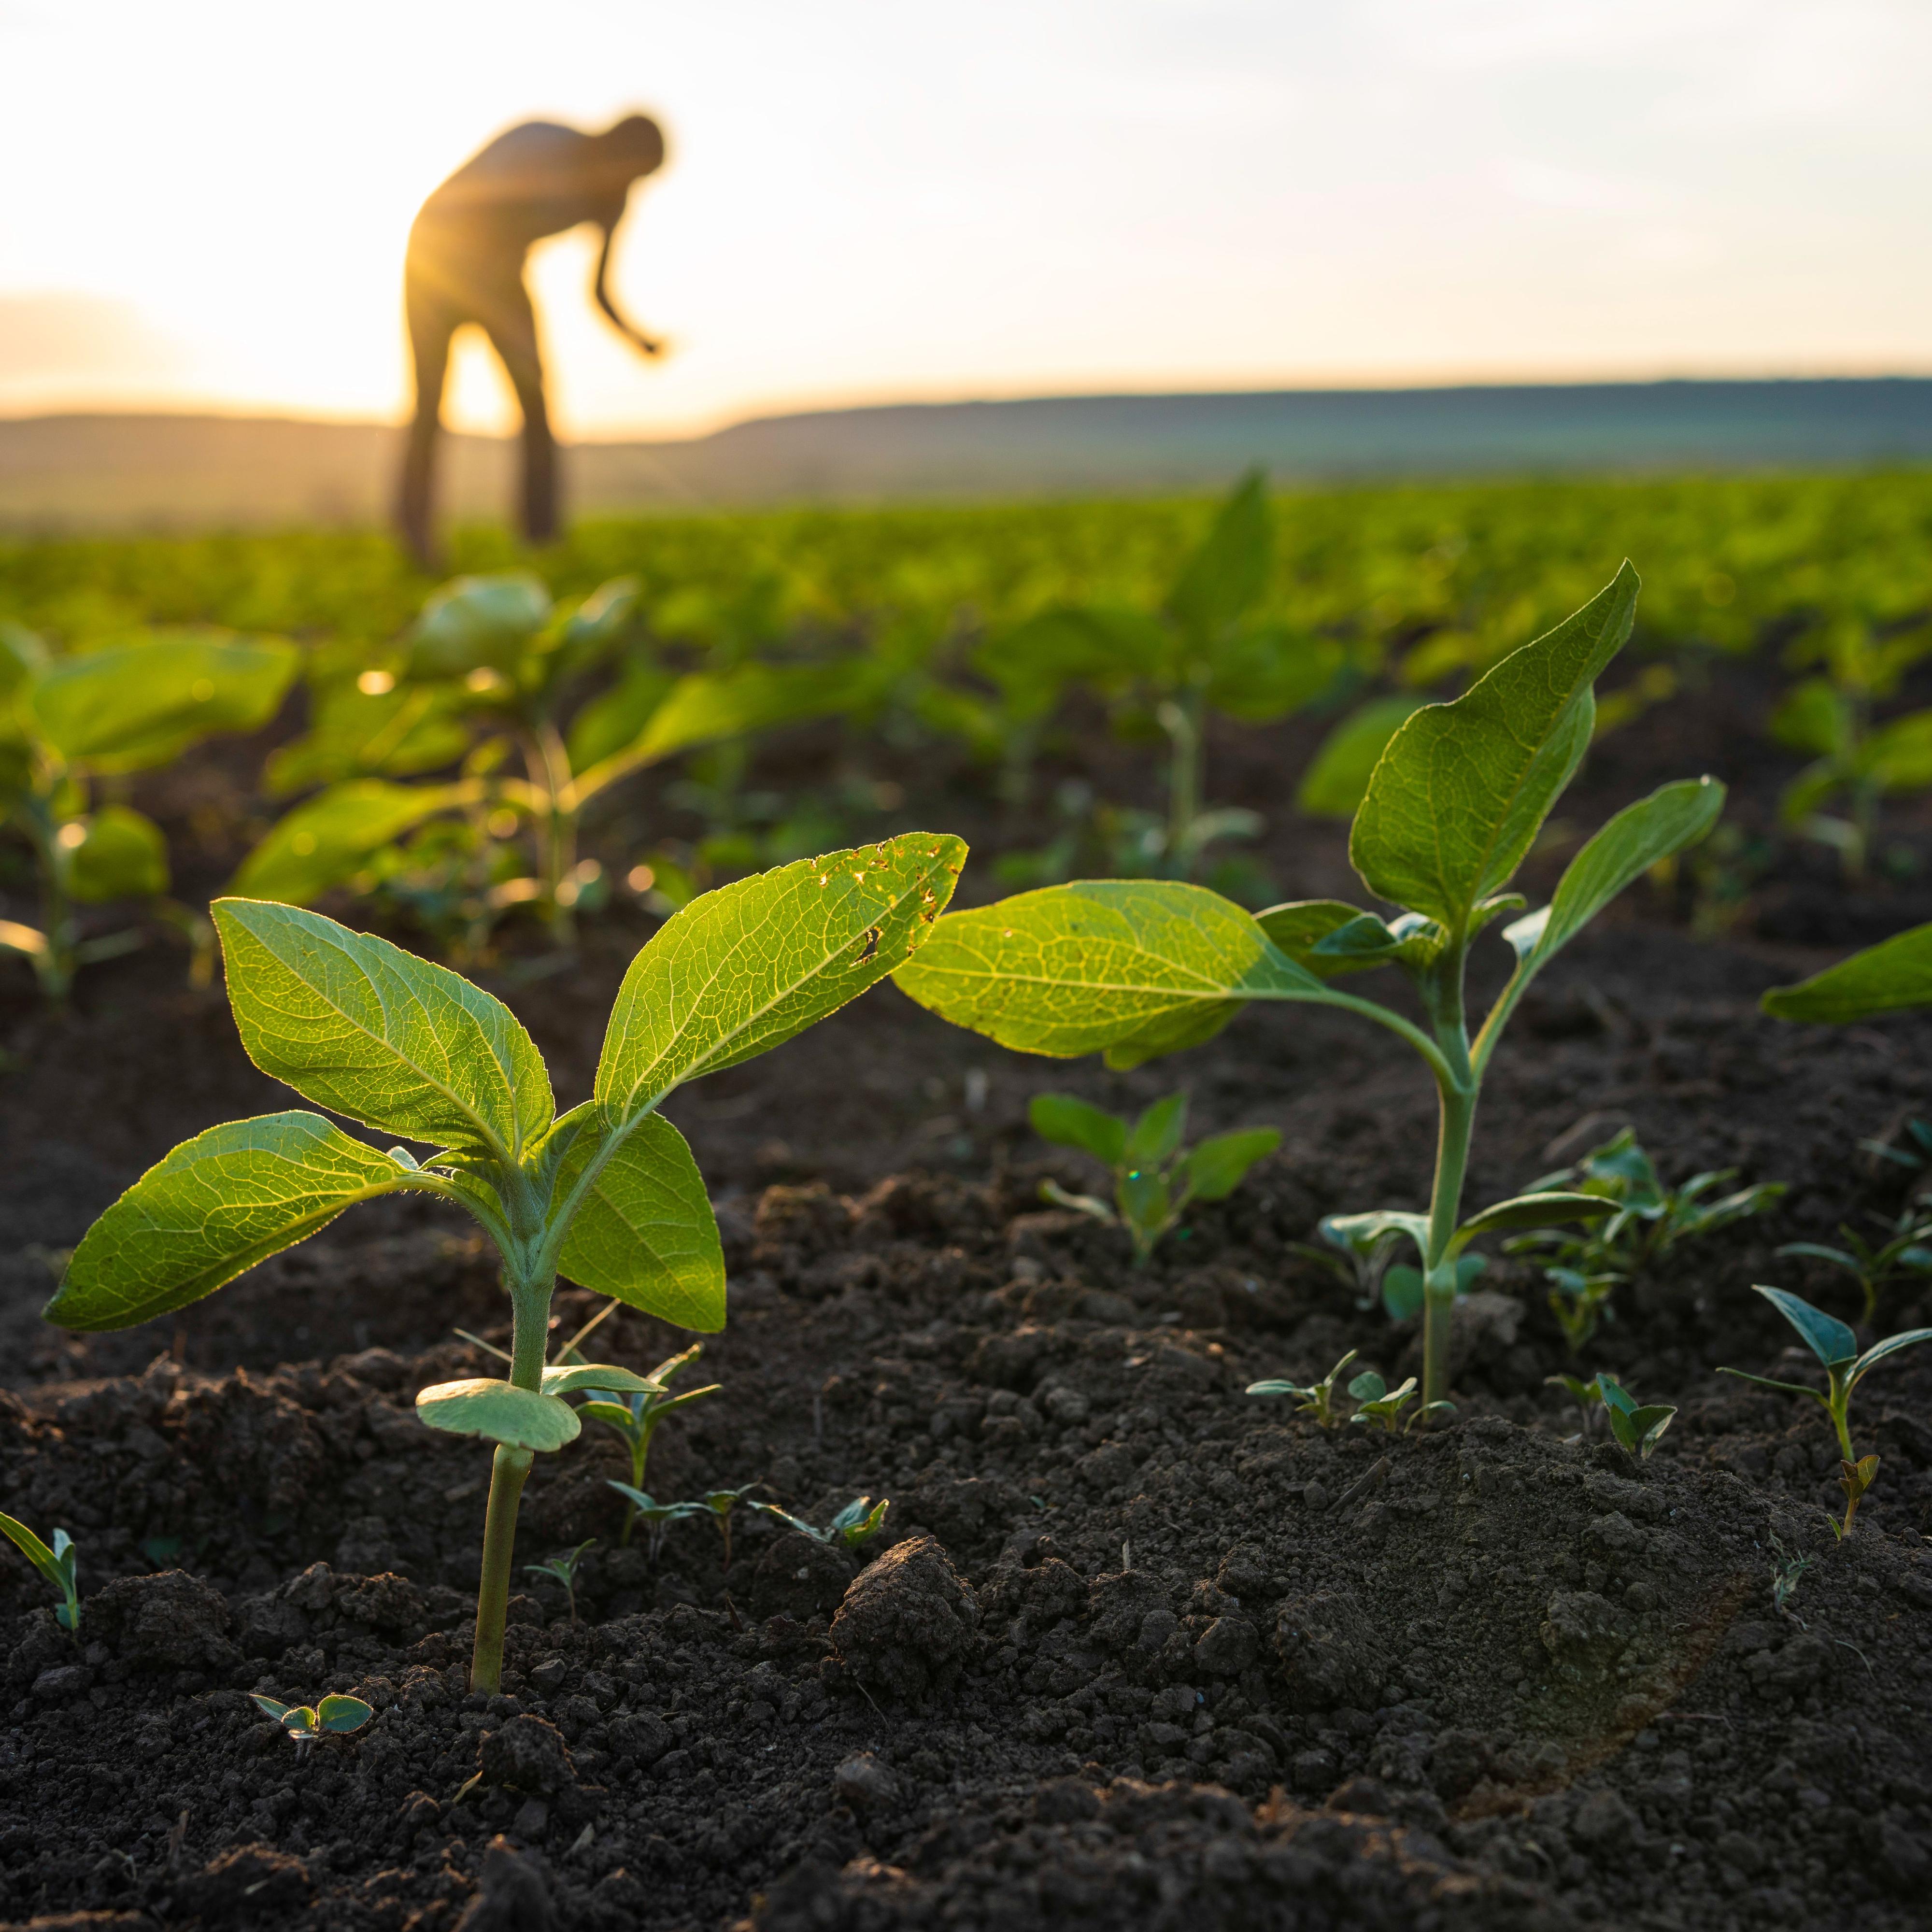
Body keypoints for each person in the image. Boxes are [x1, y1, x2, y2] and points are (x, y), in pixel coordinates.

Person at [398, 114, 668, 563]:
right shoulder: (543, 145)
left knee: (536, 400)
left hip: (502, 270)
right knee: (431, 402)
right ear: (614, 145)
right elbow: (481, 219)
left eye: (640, 177)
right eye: (631, 168)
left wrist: (637, 339)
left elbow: (599, 291)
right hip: (435, 256)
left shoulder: (612, 200)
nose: (629, 181)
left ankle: (541, 538)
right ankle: (417, 539)